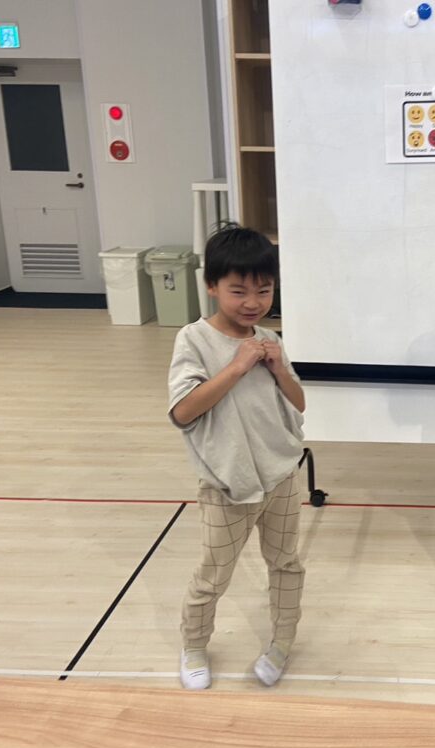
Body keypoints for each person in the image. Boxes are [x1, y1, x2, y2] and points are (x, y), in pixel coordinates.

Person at [168, 223, 306, 691]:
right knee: (213, 575)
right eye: (239, 291)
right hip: (228, 483)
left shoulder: (270, 339)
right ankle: (193, 646)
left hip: (281, 474)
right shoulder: (193, 339)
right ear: (212, 286)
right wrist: (237, 366)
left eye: (264, 290)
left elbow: (298, 403)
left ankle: (282, 642)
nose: (253, 302)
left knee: (286, 564)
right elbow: (183, 411)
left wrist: (277, 367)